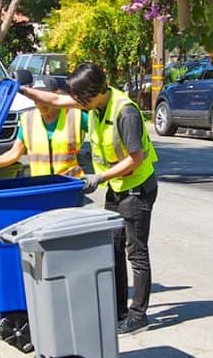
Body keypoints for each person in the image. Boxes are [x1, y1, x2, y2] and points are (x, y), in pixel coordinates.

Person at [20, 62, 159, 335]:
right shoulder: (95, 103)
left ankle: (138, 316)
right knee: (113, 248)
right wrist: (23, 90)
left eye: (79, 98)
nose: (76, 103)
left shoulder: (126, 112)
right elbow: (56, 99)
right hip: (117, 186)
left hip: (137, 188)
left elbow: (135, 159)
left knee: (136, 253)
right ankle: (117, 310)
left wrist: (98, 178)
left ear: (93, 93)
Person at [0, 77, 87, 178]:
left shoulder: (76, 115)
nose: (40, 103)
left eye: (44, 99)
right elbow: (14, 153)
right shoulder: (27, 119)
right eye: (36, 99)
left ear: (57, 94)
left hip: (71, 186)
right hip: (41, 186)